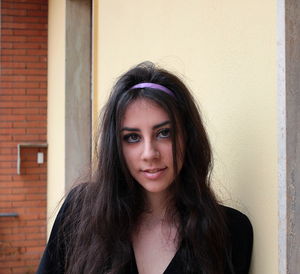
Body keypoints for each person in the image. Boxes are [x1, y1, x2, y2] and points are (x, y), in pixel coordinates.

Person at [37, 62, 253, 274]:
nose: (149, 153)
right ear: (116, 147)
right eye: (132, 137)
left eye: (164, 133)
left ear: (188, 136)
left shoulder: (231, 231)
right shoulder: (80, 212)